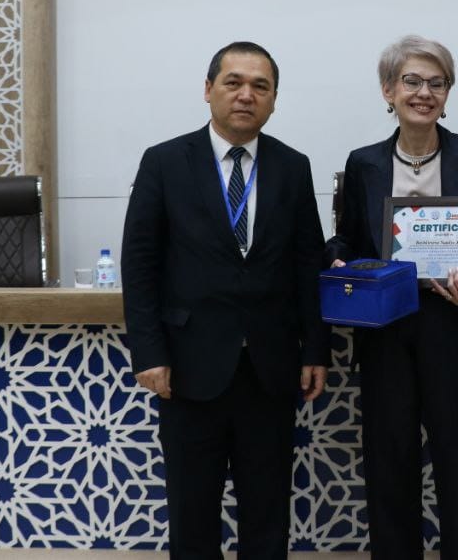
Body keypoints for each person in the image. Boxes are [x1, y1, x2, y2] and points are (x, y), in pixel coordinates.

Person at [121, 41, 329, 559]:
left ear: (274, 99)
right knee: (192, 513)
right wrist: (148, 352)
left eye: (260, 86)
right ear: (208, 89)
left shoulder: (292, 166)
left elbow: (308, 264)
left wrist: (315, 349)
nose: (246, 95)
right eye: (233, 82)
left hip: (270, 369)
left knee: (267, 513)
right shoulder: (164, 162)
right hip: (189, 368)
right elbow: (139, 265)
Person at [325, 35, 458, 560]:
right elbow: (348, 238)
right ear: (388, 90)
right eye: (412, 81)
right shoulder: (364, 163)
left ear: (447, 93)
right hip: (386, 329)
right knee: (388, 462)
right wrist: (338, 260)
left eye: (437, 83)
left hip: (454, 328)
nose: (424, 93)